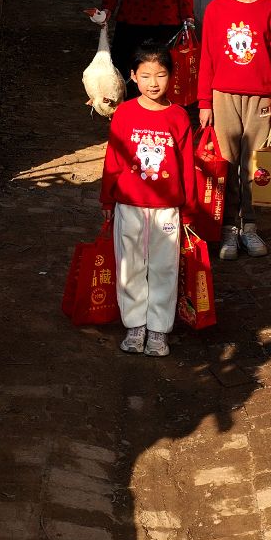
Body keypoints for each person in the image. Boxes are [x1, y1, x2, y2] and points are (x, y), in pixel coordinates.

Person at [100, 42, 196, 357]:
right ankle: (135, 326)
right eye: (145, 76)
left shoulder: (179, 117)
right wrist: (107, 200)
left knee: (164, 267)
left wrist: (189, 209)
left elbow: (186, 165)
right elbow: (113, 160)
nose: (153, 83)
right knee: (129, 266)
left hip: (167, 209)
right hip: (128, 204)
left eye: (160, 75)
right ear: (132, 76)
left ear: (171, 76)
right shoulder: (124, 114)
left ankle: (158, 329)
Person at [198, 0, 271, 261]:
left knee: (254, 166)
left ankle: (249, 225)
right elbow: (207, 57)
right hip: (223, 96)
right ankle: (228, 229)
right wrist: (204, 101)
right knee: (228, 162)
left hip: (261, 97)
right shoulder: (216, 9)